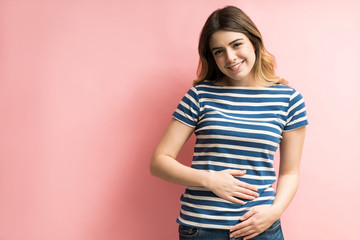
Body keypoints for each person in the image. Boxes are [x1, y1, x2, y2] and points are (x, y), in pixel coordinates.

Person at [150, 5, 308, 240]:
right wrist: (210, 179)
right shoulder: (199, 96)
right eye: (218, 51)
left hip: (260, 227)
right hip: (201, 229)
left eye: (236, 44)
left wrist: (275, 211)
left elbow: (290, 172)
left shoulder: (288, 99)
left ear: (254, 42)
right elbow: (159, 162)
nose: (230, 57)